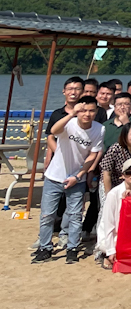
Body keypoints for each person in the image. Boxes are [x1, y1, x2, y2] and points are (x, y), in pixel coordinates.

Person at [34, 97, 103, 264]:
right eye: (83, 110)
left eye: (91, 110)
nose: (87, 114)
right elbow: (54, 131)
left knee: (75, 215)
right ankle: (45, 247)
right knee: (47, 215)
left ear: (96, 112)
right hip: (54, 176)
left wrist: (79, 175)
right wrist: (72, 113)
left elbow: (93, 154)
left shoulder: (99, 129)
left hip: (76, 178)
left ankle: (72, 248)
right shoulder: (69, 123)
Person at [95, 157, 131, 269]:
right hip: (114, 234)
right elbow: (108, 225)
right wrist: (111, 251)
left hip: (130, 233)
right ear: (122, 175)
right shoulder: (113, 194)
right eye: (129, 172)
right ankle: (106, 255)